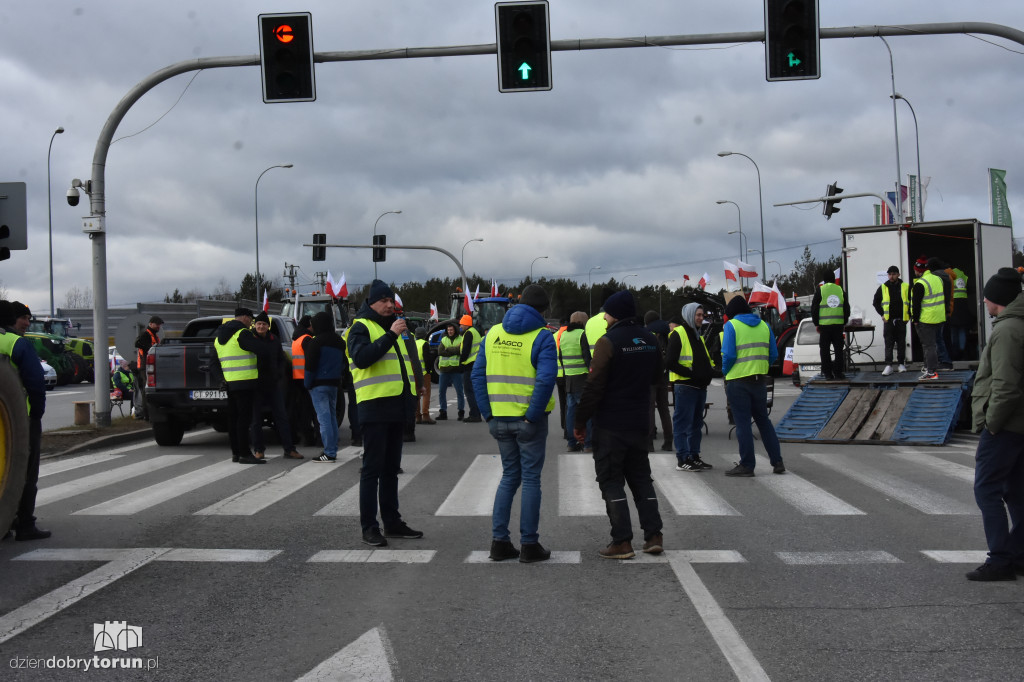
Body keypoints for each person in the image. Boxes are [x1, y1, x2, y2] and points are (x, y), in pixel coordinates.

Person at [573, 290, 664, 559]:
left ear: (616, 314)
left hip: (611, 425)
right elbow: (657, 378)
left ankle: (622, 541)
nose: (604, 316)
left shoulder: (608, 342)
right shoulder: (650, 339)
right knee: (641, 479)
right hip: (639, 422)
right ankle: (654, 535)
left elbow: (594, 386)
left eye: (607, 312)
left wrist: (580, 422)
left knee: (611, 480)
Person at [473, 284, 557, 563]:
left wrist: (488, 414)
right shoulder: (542, 337)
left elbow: (477, 376)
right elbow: (545, 380)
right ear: (543, 310)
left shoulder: (492, 333)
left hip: (499, 420)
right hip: (529, 421)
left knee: (509, 477)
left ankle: (499, 542)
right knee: (531, 479)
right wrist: (531, 415)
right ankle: (529, 545)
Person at [347, 280, 422, 547]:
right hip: (374, 406)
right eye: (384, 301)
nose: (390, 305)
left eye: (392, 301)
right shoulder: (361, 327)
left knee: (391, 470)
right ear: (372, 302)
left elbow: (402, 369)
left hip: (394, 408)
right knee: (372, 470)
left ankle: (392, 522)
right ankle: (369, 527)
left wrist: (411, 401)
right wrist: (390, 335)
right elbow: (362, 358)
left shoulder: (393, 328)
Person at [966, 268, 1024, 581]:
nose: (984, 301)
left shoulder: (1007, 331)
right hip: (1019, 424)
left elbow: (1006, 384)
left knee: (986, 489)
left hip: (1005, 427)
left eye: (987, 296)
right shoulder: (1017, 325)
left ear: (998, 300)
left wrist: (991, 423)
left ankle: (1001, 558)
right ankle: (1019, 554)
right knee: (1016, 492)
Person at [0, 301, 50, 540]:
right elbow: (36, 383)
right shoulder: (16, 343)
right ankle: (24, 523)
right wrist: (36, 414)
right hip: (19, 419)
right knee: (25, 471)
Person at [721, 297, 785, 477]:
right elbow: (773, 353)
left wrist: (726, 372)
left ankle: (747, 465)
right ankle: (777, 461)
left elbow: (729, 355)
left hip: (738, 381)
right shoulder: (764, 326)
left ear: (732, 313)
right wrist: (761, 366)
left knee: (743, 424)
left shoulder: (731, 326)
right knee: (763, 422)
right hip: (759, 381)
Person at [214, 308, 266, 465]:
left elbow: (213, 362)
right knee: (244, 420)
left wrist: (221, 379)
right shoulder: (242, 333)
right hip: (246, 382)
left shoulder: (219, 337)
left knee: (234, 419)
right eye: (250, 319)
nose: (251, 323)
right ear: (244, 318)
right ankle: (245, 453)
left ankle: (236, 453)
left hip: (230, 383)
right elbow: (260, 349)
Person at [250, 312, 303, 460]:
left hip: (273, 385)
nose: (261, 326)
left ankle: (289, 449)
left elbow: (281, 359)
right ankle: (259, 450)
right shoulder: (250, 340)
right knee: (256, 421)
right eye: (259, 324)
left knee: (282, 417)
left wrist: (278, 373)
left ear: (268, 326)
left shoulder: (274, 340)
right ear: (255, 325)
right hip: (256, 386)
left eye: (264, 324)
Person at [668, 302, 714, 471]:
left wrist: (708, 373)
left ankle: (694, 456)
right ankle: (682, 458)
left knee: (696, 424)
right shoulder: (678, 334)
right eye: (698, 315)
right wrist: (691, 373)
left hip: (699, 387)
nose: (701, 318)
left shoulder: (698, 336)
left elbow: (705, 361)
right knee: (682, 424)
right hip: (685, 387)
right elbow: (670, 362)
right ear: (689, 315)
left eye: (702, 315)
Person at [305, 311, 346, 462]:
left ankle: (329, 452)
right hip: (334, 383)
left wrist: (307, 384)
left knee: (324, 419)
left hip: (318, 384)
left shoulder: (315, 342)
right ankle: (332, 449)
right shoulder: (340, 341)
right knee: (332, 417)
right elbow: (343, 364)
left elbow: (310, 366)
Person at [811, 271, 850, 380]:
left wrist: (816, 323)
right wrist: (844, 321)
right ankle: (838, 372)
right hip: (838, 326)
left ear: (824, 280)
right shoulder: (840, 290)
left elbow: (814, 308)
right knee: (838, 350)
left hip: (824, 327)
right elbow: (846, 308)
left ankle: (828, 374)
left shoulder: (821, 290)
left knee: (825, 350)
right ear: (834, 279)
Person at [911, 255, 945, 380]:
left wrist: (915, 320)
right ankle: (928, 367)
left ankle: (931, 372)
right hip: (939, 317)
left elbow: (916, 305)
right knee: (933, 344)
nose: (914, 272)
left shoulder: (920, 284)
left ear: (919, 270)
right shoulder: (938, 279)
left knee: (928, 346)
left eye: (915, 270)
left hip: (926, 319)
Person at [560, 311, 590, 452]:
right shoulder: (581, 334)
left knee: (571, 411)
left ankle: (571, 443)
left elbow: (561, 357)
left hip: (569, 379)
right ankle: (588, 443)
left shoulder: (564, 335)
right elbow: (586, 357)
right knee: (587, 411)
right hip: (582, 379)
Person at [872, 265, 909, 376]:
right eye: (890, 274)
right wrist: (882, 314)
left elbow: (910, 302)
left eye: (893, 274)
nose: (891, 276)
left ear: (898, 274)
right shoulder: (883, 287)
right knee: (889, 343)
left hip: (901, 320)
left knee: (901, 342)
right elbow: (875, 302)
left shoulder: (905, 286)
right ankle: (889, 365)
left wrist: (909, 316)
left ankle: (901, 364)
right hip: (888, 321)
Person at [644, 310, 673, 452]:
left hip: (650, 375)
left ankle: (649, 442)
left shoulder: (647, 332)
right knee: (664, 409)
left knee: (649, 409)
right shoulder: (668, 329)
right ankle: (668, 441)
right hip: (663, 374)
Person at [289, 315, 318, 447]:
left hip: (298, 378)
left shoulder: (296, 339)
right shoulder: (307, 339)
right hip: (309, 378)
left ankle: (307, 437)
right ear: (309, 326)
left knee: (303, 410)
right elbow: (313, 359)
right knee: (314, 410)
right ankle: (316, 438)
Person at [133, 315, 163, 418]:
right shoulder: (146, 334)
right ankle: (146, 414)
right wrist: (149, 348)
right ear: (151, 324)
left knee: (151, 389)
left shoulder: (155, 336)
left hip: (152, 365)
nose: (159, 326)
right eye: (157, 324)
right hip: (145, 366)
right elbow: (137, 343)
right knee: (147, 390)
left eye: (159, 325)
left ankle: (151, 412)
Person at [928, 257, 955, 370]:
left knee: (938, 338)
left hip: (939, 312)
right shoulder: (948, 276)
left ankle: (945, 361)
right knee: (944, 337)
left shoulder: (937, 278)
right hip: (948, 310)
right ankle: (946, 360)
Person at [435, 322, 464, 420]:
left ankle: (461, 412)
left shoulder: (461, 339)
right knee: (441, 392)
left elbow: (461, 351)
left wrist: (448, 350)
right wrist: (455, 349)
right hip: (444, 369)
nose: (450, 331)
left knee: (459, 392)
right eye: (448, 330)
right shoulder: (444, 339)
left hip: (456, 369)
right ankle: (443, 412)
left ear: (455, 330)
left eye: (451, 330)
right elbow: (440, 352)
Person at [459, 313, 483, 423]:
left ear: (466, 324)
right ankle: (476, 413)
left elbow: (466, 350)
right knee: (473, 390)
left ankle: (474, 414)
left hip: (469, 364)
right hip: (475, 363)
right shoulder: (475, 332)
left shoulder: (468, 333)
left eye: (462, 324)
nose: (460, 326)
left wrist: (461, 362)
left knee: (468, 391)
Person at [948, 264, 973, 361]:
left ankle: (955, 353)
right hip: (963, 304)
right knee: (962, 330)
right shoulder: (962, 275)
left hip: (953, 304)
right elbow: (968, 288)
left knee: (953, 330)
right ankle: (962, 351)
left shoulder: (949, 274)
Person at [414, 327, 436, 425]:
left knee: (417, 395)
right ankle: (425, 415)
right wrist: (429, 370)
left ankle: (417, 416)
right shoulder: (424, 344)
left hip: (414, 373)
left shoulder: (413, 344)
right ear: (424, 335)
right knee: (426, 394)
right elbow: (427, 359)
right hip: (424, 373)